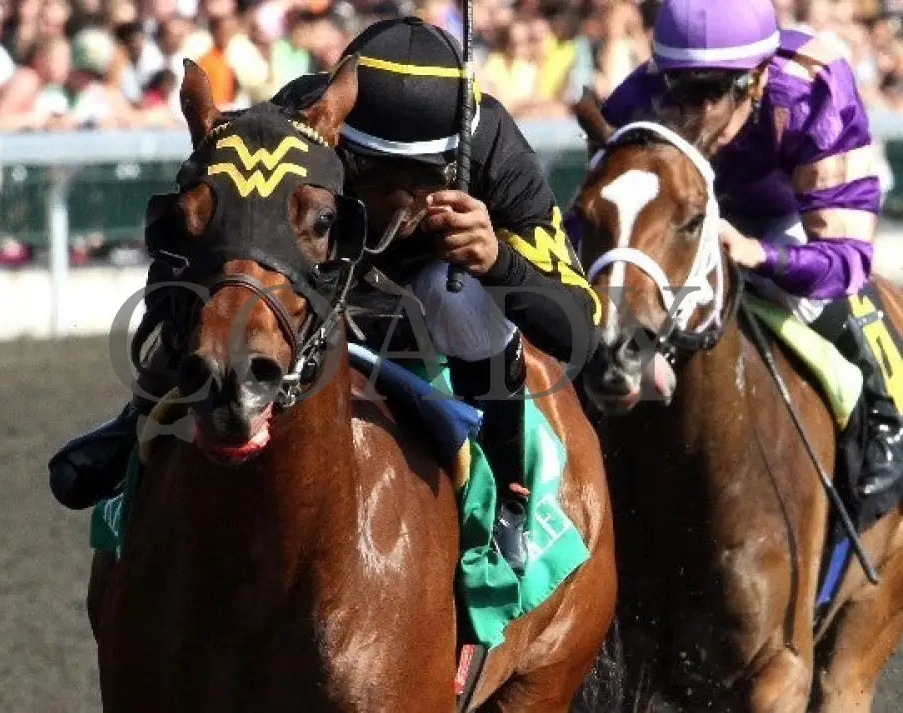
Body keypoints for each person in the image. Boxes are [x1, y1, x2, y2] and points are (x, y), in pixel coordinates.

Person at [49, 17, 601, 572]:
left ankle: (509, 491)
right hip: (331, 281)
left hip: (435, 295)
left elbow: (581, 326)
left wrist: (498, 261)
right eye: (378, 180)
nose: (402, 205)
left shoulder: (499, 155)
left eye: (423, 181)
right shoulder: (300, 120)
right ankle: (139, 416)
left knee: (459, 299)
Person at [595, 0, 903, 520]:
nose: (688, 111)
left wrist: (758, 253)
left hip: (789, 215)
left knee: (825, 300)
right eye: (679, 88)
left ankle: (884, 412)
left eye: (709, 92)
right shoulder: (637, 100)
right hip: (683, 221)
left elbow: (846, 259)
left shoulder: (812, 91)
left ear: (757, 80)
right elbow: (599, 228)